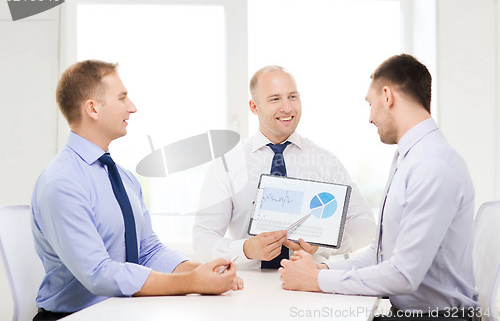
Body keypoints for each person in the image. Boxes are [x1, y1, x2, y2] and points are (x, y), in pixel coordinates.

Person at [31, 60, 243, 321]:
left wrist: (204, 271)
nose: (132, 107)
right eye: (122, 98)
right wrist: (192, 283)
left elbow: (148, 252)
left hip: (124, 313)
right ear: (93, 108)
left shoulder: (124, 178)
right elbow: (99, 274)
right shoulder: (62, 183)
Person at [278, 54, 479, 318]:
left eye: (370, 104)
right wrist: (321, 271)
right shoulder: (409, 158)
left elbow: (402, 275)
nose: (370, 117)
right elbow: (381, 254)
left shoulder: (432, 165)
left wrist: (316, 282)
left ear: (387, 96)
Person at [193, 65, 376, 269]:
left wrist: (324, 245)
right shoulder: (228, 165)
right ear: (254, 107)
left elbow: (366, 225)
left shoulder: (325, 161)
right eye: (275, 99)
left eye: (292, 97)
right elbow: (202, 240)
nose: (287, 108)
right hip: (246, 290)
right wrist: (244, 249)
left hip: (312, 287)